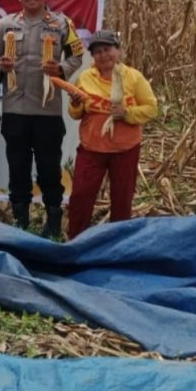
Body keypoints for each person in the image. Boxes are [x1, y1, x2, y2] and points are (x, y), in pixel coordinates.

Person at [0, 0, 84, 237]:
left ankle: (52, 220)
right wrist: (0, 65)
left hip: (47, 110)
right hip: (15, 109)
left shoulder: (62, 24)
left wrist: (61, 69)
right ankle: (21, 219)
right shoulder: (5, 25)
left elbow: (77, 55)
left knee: (49, 167)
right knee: (17, 166)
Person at [65, 30, 157, 238]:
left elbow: (151, 109)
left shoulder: (134, 77)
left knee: (122, 198)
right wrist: (75, 104)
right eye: (97, 52)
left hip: (125, 149)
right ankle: (76, 240)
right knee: (81, 196)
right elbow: (75, 114)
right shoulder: (85, 78)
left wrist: (127, 113)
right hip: (92, 148)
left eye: (107, 49)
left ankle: (118, 242)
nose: (103, 55)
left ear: (118, 50)